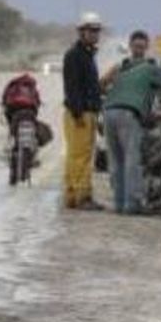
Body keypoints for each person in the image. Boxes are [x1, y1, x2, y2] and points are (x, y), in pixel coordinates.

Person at [103, 44, 161, 214]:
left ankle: (119, 203)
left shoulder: (123, 72)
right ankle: (132, 204)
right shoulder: (150, 69)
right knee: (132, 159)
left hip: (108, 112)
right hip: (128, 113)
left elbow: (105, 86)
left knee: (117, 161)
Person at [62, 12, 104, 210]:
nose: (95, 34)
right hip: (80, 113)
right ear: (82, 32)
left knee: (78, 155)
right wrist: (78, 114)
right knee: (81, 156)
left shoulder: (87, 55)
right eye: (92, 30)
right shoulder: (75, 55)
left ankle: (72, 195)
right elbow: (72, 87)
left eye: (97, 30)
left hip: (87, 112)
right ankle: (82, 197)